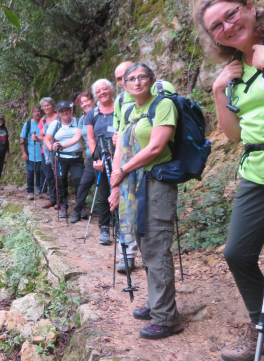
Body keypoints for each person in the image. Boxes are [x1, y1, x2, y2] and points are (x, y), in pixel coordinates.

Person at [195, 0, 264, 359]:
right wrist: (218, 91)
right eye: (216, 26)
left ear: (251, 7)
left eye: (231, 14)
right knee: (237, 253)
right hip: (255, 171)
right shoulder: (236, 71)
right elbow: (234, 134)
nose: (227, 26)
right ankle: (262, 329)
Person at [108, 62, 182, 340]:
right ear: (124, 84)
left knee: (157, 247)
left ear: (152, 80)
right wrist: (116, 182)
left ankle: (166, 319)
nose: (137, 82)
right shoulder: (129, 110)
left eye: (142, 77)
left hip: (157, 182)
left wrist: (123, 171)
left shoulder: (162, 105)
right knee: (145, 243)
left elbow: (155, 146)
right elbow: (121, 147)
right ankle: (156, 303)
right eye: (131, 79)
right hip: (134, 185)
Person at [73, 83, 116, 246]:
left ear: (111, 90)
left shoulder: (121, 108)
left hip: (121, 156)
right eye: (99, 91)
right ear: (95, 95)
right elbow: (90, 138)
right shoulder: (92, 114)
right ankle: (104, 228)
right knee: (104, 193)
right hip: (102, 158)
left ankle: (120, 226)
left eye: (105, 89)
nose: (102, 92)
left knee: (123, 192)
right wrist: (97, 158)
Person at [110, 61, 140, 273]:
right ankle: (127, 255)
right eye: (119, 79)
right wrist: (116, 177)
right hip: (128, 164)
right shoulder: (121, 101)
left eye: (126, 76)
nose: (123, 82)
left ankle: (149, 255)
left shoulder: (160, 90)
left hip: (157, 164)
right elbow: (119, 141)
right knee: (126, 208)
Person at [44, 101, 85, 219]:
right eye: (62, 111)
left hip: (76, 157)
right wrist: (51, 147)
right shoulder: (55, 124)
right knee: (61, 182)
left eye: (67, 110)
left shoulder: (78, 122)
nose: (65, 112)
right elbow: (47, 139)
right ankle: (62, 205)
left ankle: (81, 205)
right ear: (59, 113)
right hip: (60, 158)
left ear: (71, 110)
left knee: (79, 181)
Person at [69, 92, 95, 224]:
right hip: (91, 158)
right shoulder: (82, 119)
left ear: (93, 100)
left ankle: (110, 216)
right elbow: (76, 137)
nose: (85, 104)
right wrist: (61, 145)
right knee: (83, 184)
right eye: (82, 102)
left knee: (106, 188)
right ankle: (77, 211)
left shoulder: (102, 114)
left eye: (87, 101)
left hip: (106, 157)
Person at [20, 106, 45, 200]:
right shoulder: (28, 124)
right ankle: (30, 191)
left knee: (42, 173)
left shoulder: (44, 122)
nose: (36, 113)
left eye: (38, 111)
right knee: (30, 172)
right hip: (31, 153)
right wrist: (24, 153)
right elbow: (22, 139)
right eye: (34, 111)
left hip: (42, 153)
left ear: (41, 113)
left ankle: (42, 191)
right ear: (32, 113)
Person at [39, 97, 59, 209]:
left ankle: (61, 199)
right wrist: (37, 138)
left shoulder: (59, 116)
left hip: (57, 150)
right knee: (49, 175)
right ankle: (52, 199)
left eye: (48, 105)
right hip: (45, 151)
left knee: (58, 175)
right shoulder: (43, 120)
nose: (46, 107)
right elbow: (42, 136)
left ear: (53, 105)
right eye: (44, 106)